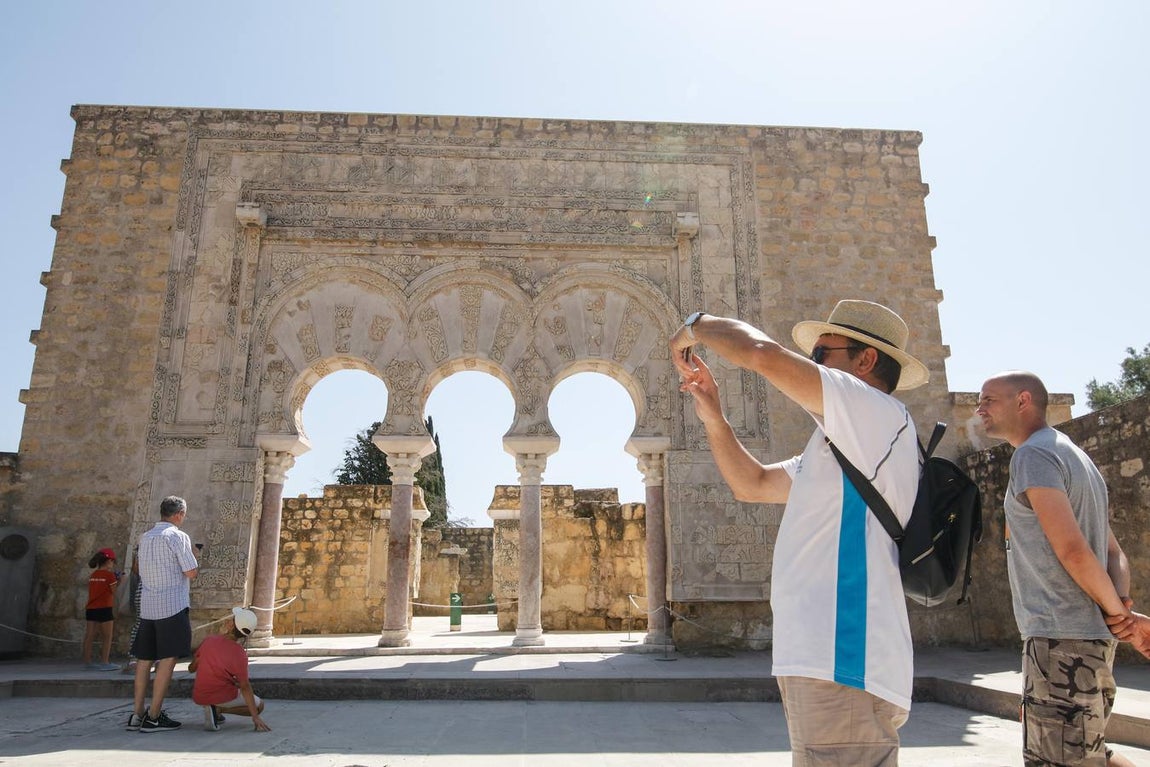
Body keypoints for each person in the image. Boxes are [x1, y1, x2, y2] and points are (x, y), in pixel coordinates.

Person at [670, 300, 928, 765]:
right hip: (823, 659)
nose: (812, 366)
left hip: (843, 657)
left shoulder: (876, 414)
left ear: (865, 360)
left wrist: (696, 325)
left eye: (821, 355)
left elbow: (762, 354)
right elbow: (754, 485)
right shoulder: (841, 442)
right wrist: (714, 416)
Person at [977, 371, 1148, 766]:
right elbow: (1113, 553)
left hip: (1059, 641)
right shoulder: (1076, 456)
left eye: (989, 399)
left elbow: (1072, 550)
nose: (980, 408)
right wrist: (1117, 611)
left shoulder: (1033, 455)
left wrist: (1119, 614)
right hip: (1089, 641)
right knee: (1092, 754)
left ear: (1023, 401)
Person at [127, 495, 199, 733]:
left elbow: (138, 568)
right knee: (167, 661)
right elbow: (190, 572)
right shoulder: (178, 536)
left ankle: (137, 714)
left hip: (148, 607)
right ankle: (155, 716)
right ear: (179, 514)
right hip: (172, 606)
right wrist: (195, 559)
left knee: (143, 660)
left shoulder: (145, 537)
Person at [189, 607, 271, 732]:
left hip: (200, 696)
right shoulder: (239, 654)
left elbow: (191, 669)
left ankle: (214, 710)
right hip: (220, 696)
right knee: (260, 705)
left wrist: (200, 660)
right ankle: (218, 710)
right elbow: (245, 686)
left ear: (231, 625)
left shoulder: (209, 640)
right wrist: (255, 717)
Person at [82, 548, 121, 671]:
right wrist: (119, 580)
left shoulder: (93, 575)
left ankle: (87, 662)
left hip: (91, 608)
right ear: (109, 560)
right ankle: (104, 662)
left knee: (89, 636)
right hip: (104, 608)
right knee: (107, 636)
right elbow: (114, 592)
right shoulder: (109, 576)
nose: (113, 564)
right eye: (113, 561)